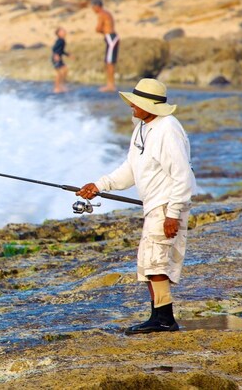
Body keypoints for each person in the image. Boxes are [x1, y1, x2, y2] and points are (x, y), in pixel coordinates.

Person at [76, 78, 195, 335]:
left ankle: (164, 320)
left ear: (152, 106)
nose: (131, 105)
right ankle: (159, 317)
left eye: (137, 103)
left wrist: (172, 214)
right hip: (154, 206)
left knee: (156, 263)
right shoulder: (142, 126)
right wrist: (98, 185)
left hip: (166, 205)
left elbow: (183, 176)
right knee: (149, 263)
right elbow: (130, 169)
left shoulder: (168, 130)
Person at [91, 0, 118, 92]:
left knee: (110, 62)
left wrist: (102, 31)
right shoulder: (107, 13)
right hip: (111, 37)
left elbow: (98, 28)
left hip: (111, 37)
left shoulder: (102, 14)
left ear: (97, 6)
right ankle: (110, 84)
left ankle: (110, 85)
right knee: (109, 62)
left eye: (93, 7)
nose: (92, 10)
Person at [51, 27, 70, 94]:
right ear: (59, 33)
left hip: (59, 58)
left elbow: (61, 51)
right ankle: (56, 88)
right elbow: (54, 48)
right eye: (62, 31)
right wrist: (56, 55)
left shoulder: (62, 40)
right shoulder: (60, 40)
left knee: (65, 70)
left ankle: (61, 85)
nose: (64, 32)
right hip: (56, 58)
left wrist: (68, 55)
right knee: (59, 73)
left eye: (64, 31)